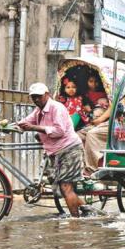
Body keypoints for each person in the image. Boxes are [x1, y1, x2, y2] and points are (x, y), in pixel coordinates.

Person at [18, 83, 83, 217]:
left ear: (47, 94)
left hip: (69, 149)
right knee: (61, 189)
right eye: (34, 97)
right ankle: (86, 211)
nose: (36, 100)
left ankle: (76, 221)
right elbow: (25, 122)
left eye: (39, 97)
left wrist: (34, 128)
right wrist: (8, 126)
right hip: (54, 152)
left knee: (66, 187)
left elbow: (59, 131)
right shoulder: (38, 111)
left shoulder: (56, 107)